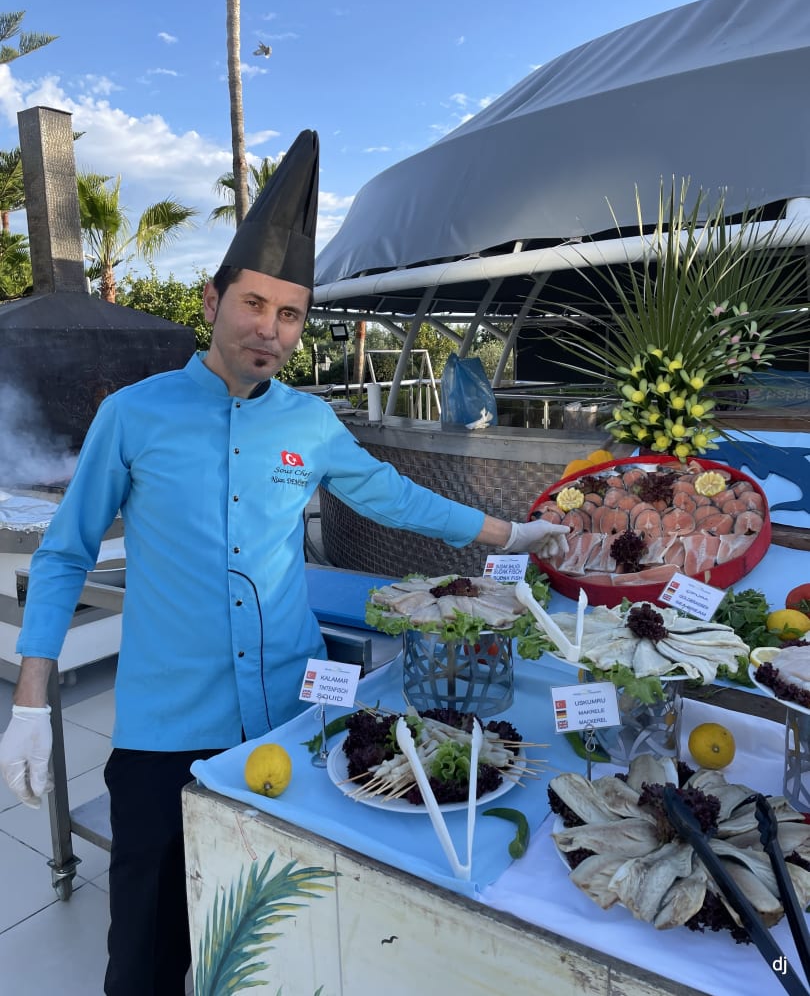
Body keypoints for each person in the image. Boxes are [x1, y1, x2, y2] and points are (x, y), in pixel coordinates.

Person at [0, 130, 568, 995]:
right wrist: (31, 701)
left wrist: (507, 535)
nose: (270, 329)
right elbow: (66, 552)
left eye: (291, 314)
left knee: (279, 930)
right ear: (212, 299)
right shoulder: (133, 414)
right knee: (146, 951)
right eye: (254, 304)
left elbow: (392, 496)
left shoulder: (309, 422)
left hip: (291, 716)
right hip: (165, 729)